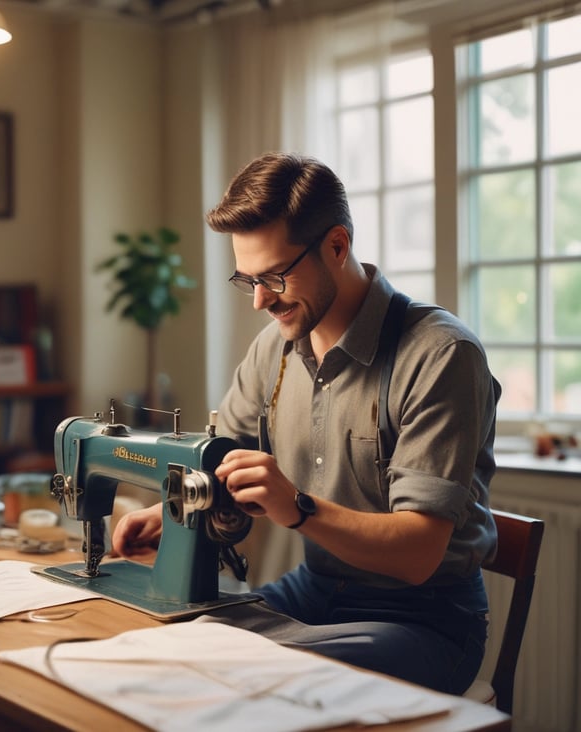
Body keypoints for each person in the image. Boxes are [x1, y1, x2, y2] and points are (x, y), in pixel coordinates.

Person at [112, 152, 500, 695]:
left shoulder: (440, 355)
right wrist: (171, 510)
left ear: (336, 246)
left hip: (423, 620)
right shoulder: (274, 349)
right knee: (158, 647)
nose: (258, 301)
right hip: (314, 592)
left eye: (273, 276)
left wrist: (296, 508)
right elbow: (222, 466)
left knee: (247, 677)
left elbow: (417, 555)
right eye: (244, 279)